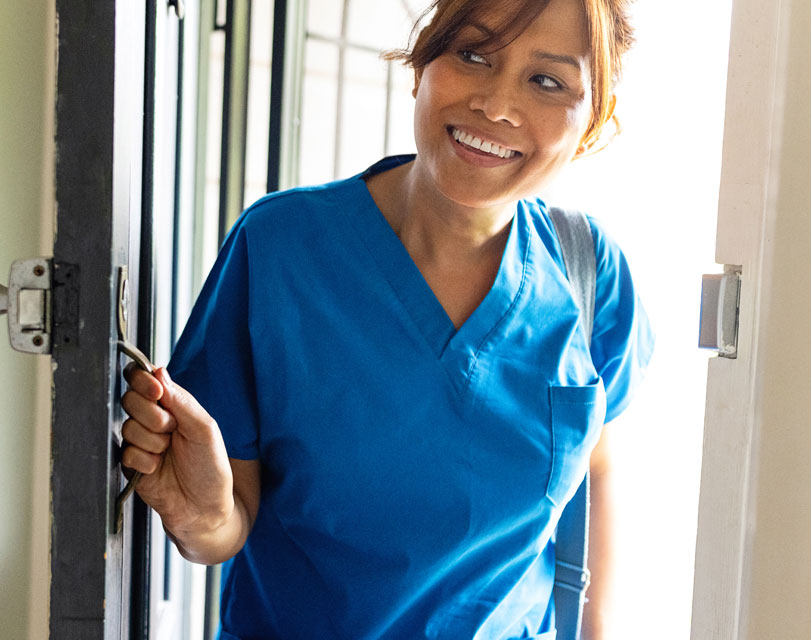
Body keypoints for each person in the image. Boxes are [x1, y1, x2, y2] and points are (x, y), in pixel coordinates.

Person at [121, 0, 653, 637]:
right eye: (473, 54)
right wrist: (199, 517)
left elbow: (600, 470)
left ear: (593, 118)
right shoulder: (280, 249)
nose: (497, 106)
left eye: (548, 82)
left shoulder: (591, 276)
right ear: (423, 61)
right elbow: (222, 528)